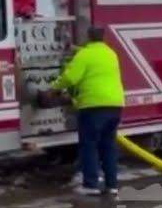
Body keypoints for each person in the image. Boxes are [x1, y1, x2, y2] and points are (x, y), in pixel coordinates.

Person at [51, 26, 126, 195]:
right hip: (115, 105)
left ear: (88, 37)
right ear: (103, 37)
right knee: (108, 146)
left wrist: (53, 87)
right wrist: (73, 48)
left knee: (89, 145)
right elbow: (91, 56)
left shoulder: (84, 55)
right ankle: (112, 185)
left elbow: (71, 77)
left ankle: (90, 185)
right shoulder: (110, 53)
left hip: (93, 106)